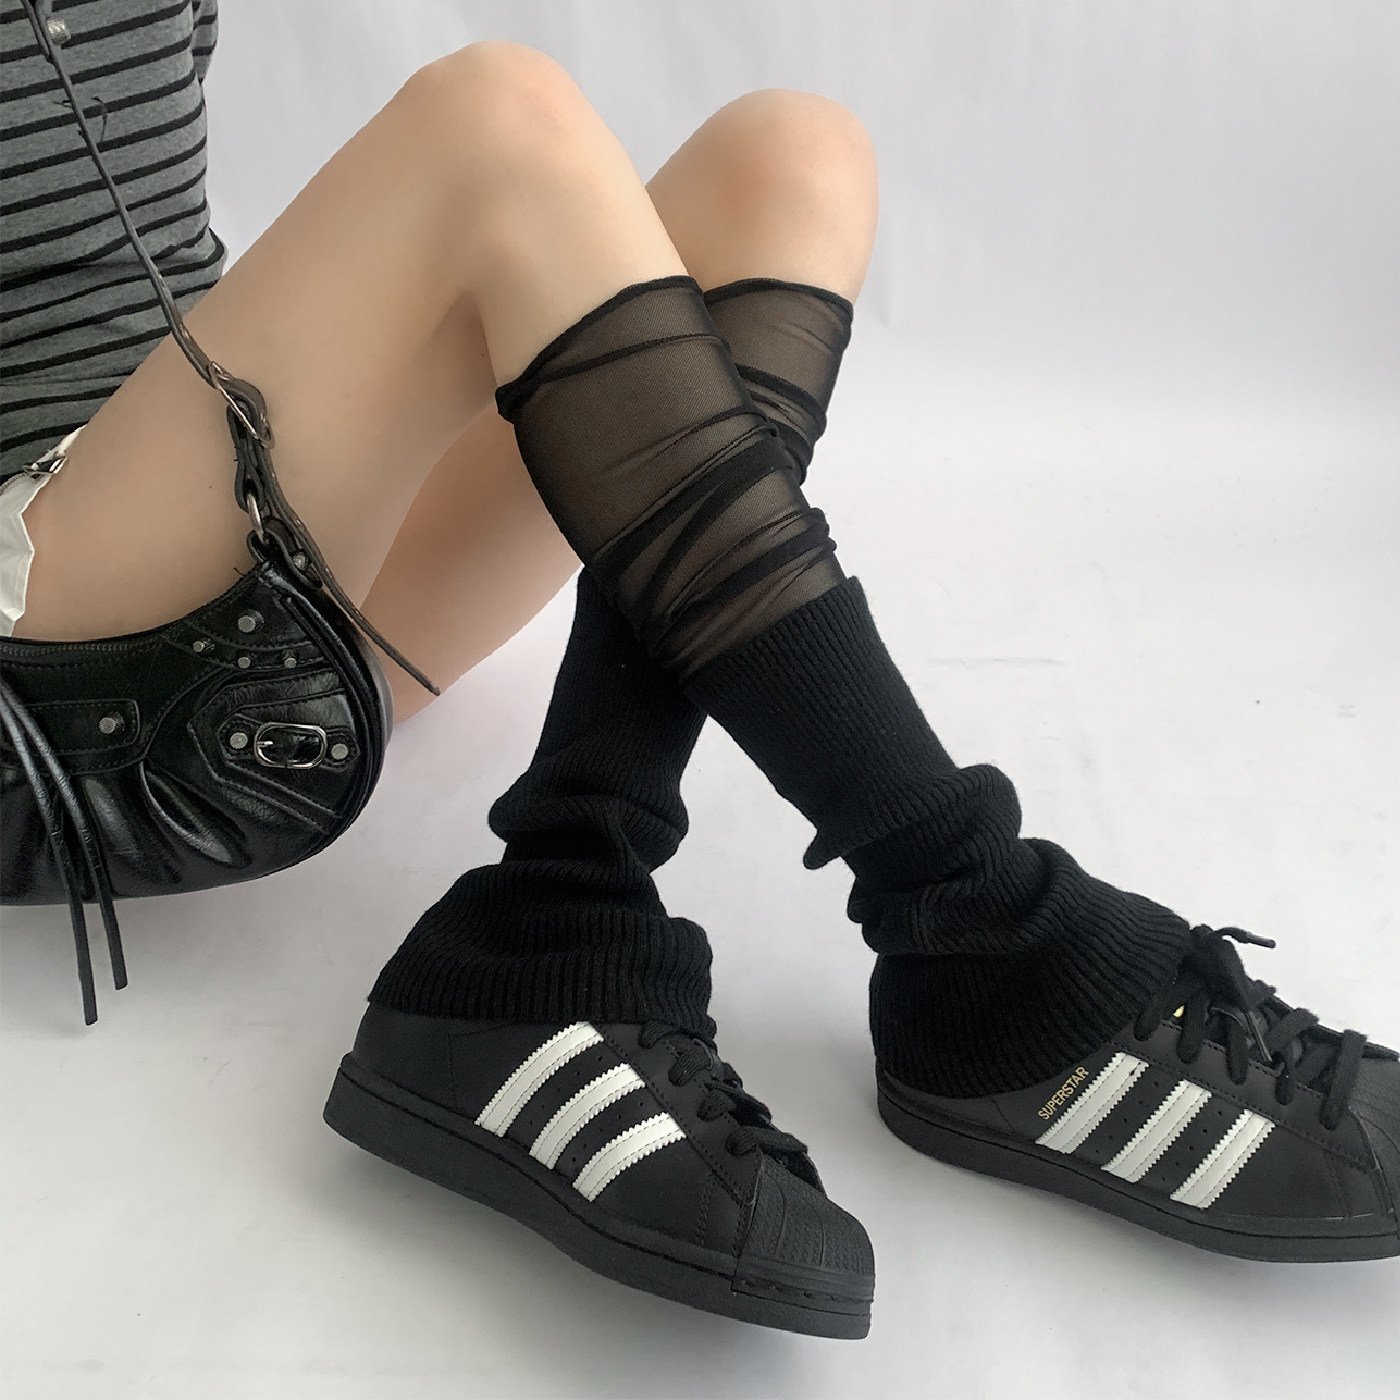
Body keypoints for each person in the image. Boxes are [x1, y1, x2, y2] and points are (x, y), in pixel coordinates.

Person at [3, 0, 1396, 1342]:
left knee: (788, 159)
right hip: (43, 678)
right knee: (493, 125)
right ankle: (980, 917)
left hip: (224, 584)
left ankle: (560, 904)